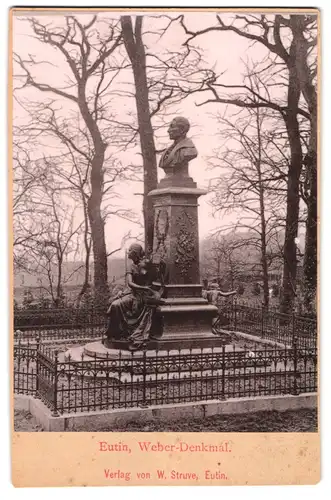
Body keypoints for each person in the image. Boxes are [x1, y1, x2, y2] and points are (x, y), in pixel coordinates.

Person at [104, 243, 165, 351]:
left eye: (131, 253)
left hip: (146, 296)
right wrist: (144, 288)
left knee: (121, 305)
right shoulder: (131, 266)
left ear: (136, 253)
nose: (129, 255)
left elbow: (157, 274)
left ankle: (131, 334)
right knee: (115, 305)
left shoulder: (147, 264)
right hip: (134, 294)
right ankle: (117, 333)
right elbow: (130, 283)